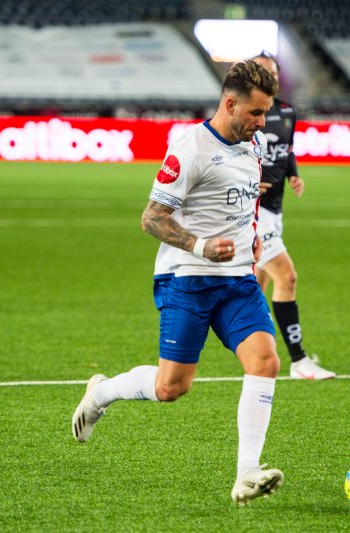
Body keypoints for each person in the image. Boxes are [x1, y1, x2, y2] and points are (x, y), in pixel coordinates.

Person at [72, 60, 283, 506]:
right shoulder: (189, 149)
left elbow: (246, 199)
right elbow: (151, 218)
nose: (264, 122)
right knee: (172, 388)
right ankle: (101, 393)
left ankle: (247, 473)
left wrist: (253, 239)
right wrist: (201, 245)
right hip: (187, 278)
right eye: (257, 113)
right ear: (230, 103)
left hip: (238, 280)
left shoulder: (253, 144)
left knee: (264, 362)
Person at [251, 52, 335, 381]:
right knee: (286, 277)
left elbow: (287, 149)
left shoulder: (286, 111)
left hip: (275, 207)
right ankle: (298, 361)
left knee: (255, 283)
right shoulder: (243, 113)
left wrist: (293, 174)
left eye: (270, 72)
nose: (265, 76)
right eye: (259, 71)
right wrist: (245, 183)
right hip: (255, 211)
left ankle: (247, 344)